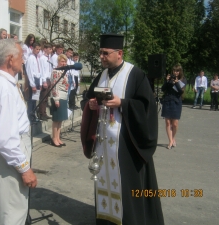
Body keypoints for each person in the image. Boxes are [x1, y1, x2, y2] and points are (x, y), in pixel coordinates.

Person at [82, 34, 164, 225]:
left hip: (127, 146)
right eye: (100, 53)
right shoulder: (101, 76)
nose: (101, 56)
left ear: (119, 53)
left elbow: (147, 108)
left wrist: (123, 103)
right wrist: (90, 104)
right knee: (104, 185)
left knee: (126, 189)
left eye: (105, 53)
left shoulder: (135, 75)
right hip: (104, 145)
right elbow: (88, 98)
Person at [0, 39, 37, 225]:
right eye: (21, 56)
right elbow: (8, 141)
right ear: (10, 59)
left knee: (0, 210)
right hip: (8, 156)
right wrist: (25, 169)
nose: (23, 60)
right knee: (12, 213)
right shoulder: (4, 89)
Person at [161, 63, 186, 149]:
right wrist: (167, 81)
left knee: (175, 124)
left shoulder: (182, 80)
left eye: (177, 71)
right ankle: (170, 141)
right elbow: (163, 89)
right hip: (167, 101)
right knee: (168, 122)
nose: (176, 73)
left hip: (176, 102)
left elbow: (181, 92)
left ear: (180, 72)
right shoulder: (169, 79)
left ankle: (173, 137)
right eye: (174, 71)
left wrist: (176, 83)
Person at [50, 54, 69, 148]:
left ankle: (58, 137)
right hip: (58, 96)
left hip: (64, 96)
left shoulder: (64, 71)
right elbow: (54, 86)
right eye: (62, 61)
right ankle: (54, 138)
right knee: (56, 119)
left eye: (65, 61)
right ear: (58, 62)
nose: (64, 63)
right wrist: (56, 99)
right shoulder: (55, 71)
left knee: (60, 119)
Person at [26, 42, 41, 122]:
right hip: (33, 80)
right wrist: (33, 84)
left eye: (39, 49)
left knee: (35, 99)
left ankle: (34, 116)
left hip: (38, 79)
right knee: (31, 100)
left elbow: (40, 70)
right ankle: (30, 117)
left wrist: (40, 82)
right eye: (37, 49)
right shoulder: (30, 58)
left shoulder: (37, 58)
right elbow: (30, 72)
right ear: (33, 49)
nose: (38, 51)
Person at [38, 43, 53, 120]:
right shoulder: (42, 58)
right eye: (49, 49)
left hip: (49, 78)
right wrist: (44, 81)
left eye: (51, 49)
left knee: (46, 97)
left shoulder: (49, 58)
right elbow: (42, 70)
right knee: (43, 97)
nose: (51, 50)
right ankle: (41, 113)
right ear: (45, 49)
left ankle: (44, 112)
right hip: (45, 79)